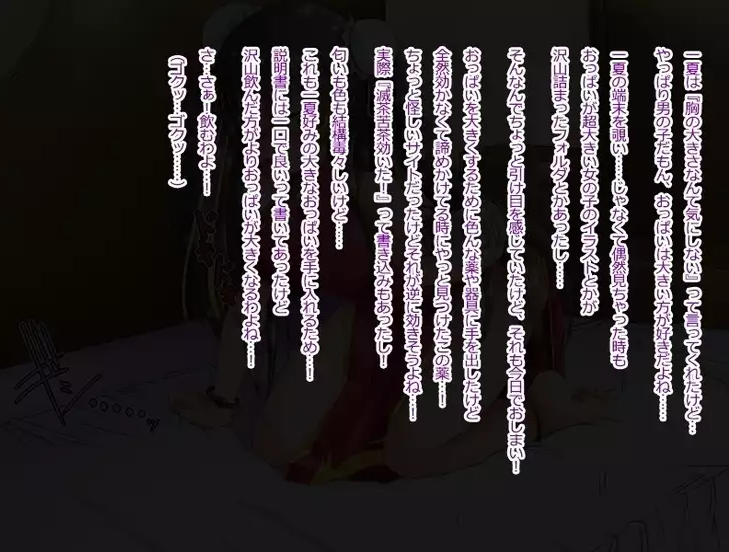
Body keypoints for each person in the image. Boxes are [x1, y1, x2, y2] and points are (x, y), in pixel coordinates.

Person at [172, 2, 610, 483]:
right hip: (378, 315)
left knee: (411, 452)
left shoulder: (377, 174)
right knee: (275, 447)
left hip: (472, 298)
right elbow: (252, 298)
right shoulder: (269, 193)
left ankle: (535, 409)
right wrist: (224, 398)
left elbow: (459, 266)